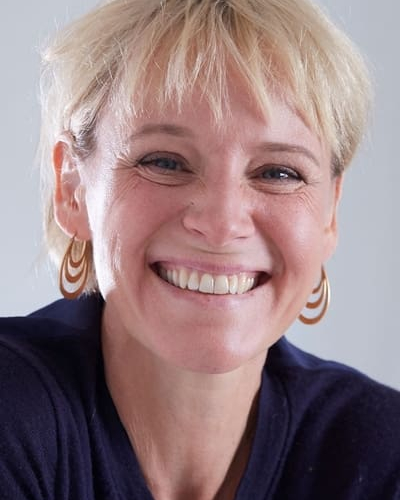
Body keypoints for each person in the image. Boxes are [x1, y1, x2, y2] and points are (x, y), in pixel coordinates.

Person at [1, 0, 399, 498]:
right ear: (72, 188)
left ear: (330, 213)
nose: (221, 224)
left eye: (278, 172)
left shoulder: (382, 452)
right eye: (165, 162)